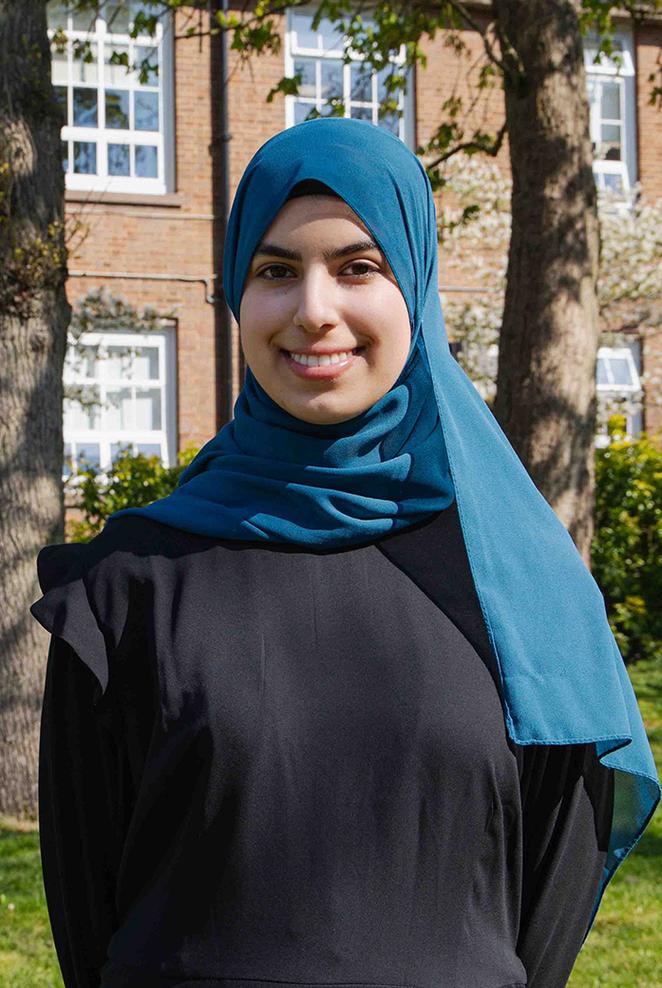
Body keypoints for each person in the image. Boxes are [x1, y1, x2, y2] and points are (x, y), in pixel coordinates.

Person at [30, 118, 659, 988]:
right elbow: (87, 920)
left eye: (359, 267)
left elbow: (550, 887)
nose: (313, 309)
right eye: (276, 270)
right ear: (236, 296)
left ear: (418, 290)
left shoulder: (519, 582)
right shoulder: (125, 591)